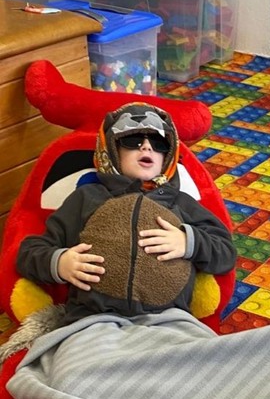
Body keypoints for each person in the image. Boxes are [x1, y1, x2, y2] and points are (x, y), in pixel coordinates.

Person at [16, 102, 237, 325]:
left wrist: (188, 242)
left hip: (169, 322)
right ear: (112, 150)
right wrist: (60, 263)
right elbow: (29, 252)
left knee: (243, 344)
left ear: (168, 155)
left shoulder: (181, 202)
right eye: (133, 140)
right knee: (69, 349)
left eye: (159, 143)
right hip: (93, 320)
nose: (147, 147)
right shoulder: (87, 198)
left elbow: (226, 252)